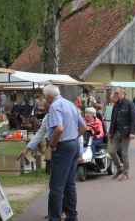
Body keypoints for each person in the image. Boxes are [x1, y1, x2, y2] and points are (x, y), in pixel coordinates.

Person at [43, 84, 87, 221]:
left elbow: (59, 129)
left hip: (63, 146)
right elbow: (84, 127)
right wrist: (73, 137)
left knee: (56, 186)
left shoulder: (55, 106)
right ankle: (72, 216)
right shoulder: (71, 104)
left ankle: (55, 218)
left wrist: (54, 145)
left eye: (45, 97)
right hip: (73, 144)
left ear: (49, 96)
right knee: (70, 184)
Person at [108, 86, 135, 181]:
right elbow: (113, 120)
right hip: (116, 132)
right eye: (114, 93)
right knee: (111, 151)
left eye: (116, 93)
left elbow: (133, 119)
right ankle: (119, 169)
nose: (115, 95)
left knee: (125, 154)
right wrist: (110, 133)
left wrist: (132, 132)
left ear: (122, 93)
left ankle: (125, 174)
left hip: (126, 132)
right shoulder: (116, 105)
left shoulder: (129, 104)